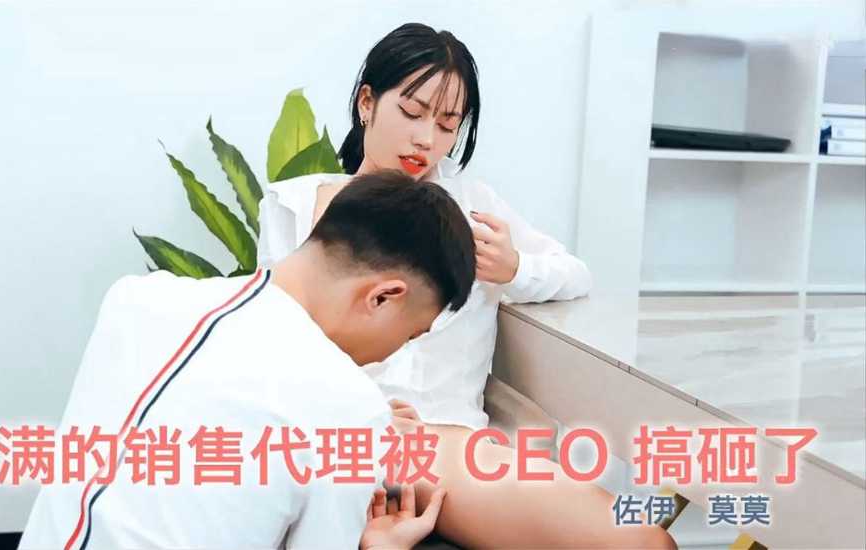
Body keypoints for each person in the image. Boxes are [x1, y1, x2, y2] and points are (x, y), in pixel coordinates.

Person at [257, 23, 676, 548]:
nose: (426, 139)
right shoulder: (295, 205)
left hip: (444, 443)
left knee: (643, 540)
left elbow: (575, 273)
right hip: (338, 434)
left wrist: (514, 267)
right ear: (367, 103)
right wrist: (360, 415)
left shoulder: (473, 206)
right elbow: (269, 339)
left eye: (447, 124)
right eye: (412, 113)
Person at [17, 171, 471, 549]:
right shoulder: (348, 407)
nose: (398, 349)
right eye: (411, 334)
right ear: (383, 297)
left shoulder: (134, 298)